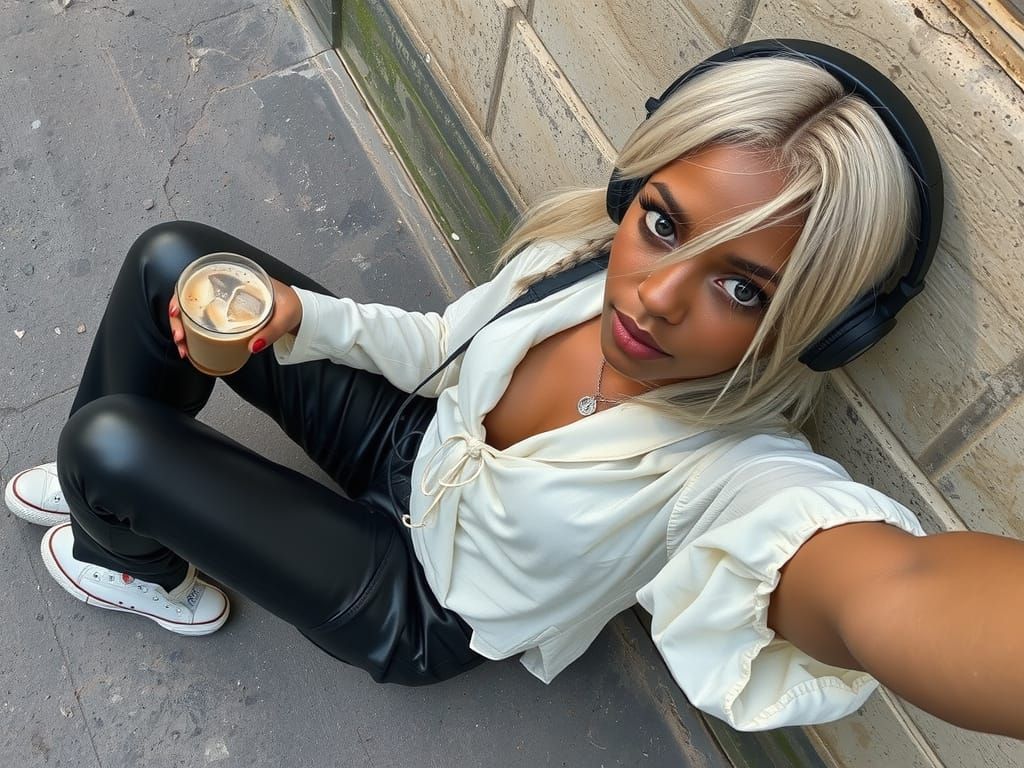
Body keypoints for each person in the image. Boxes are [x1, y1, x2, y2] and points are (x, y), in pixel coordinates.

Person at [5, 39, 1024, 738]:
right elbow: (446, 344)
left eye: (740, 287)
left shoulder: (736, 480)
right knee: (175, 259)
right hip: (419, 444)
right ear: (635, 192)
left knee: (112, 444)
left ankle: (133, 558)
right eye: (664, 223)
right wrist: (299, 319)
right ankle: (116, 506)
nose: (658, 295)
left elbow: (897, 588)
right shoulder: (588, 265)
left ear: (820, 325)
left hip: (424, 601)